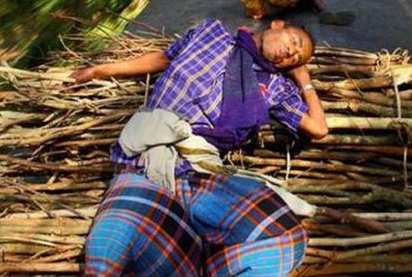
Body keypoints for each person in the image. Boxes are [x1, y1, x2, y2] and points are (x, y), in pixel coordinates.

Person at [76, 18, 327, 276]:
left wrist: (303, 78)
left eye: (296, 58)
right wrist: (102, 70)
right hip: (146, 162)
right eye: (295, 42)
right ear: (277, 25)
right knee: (111, 246)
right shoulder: (210, 33)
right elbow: (163, 59)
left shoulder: (276, 86)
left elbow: (319, 128)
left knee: (285, 238)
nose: (291, 53)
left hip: (198, 177)